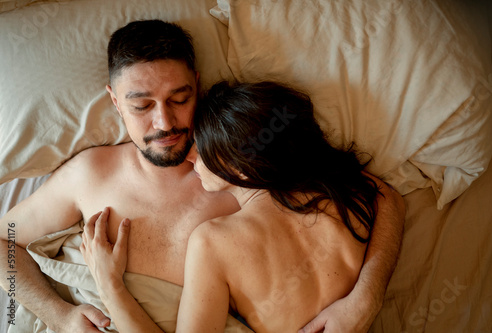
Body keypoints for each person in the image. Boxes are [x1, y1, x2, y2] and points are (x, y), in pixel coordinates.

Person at [0, 20, 405, 333]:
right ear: (114, 101)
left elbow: (383, 195)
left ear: (198, 85)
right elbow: (4, 237)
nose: (165, 122)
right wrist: (59, 315)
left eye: (180, 99)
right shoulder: (89, 175)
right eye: (141, 105)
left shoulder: (252, 166)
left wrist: (364, 299)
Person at [81, 80, 406, 332]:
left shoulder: (213, 242)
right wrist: (367, 296)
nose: (190, 156)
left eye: (202, 147)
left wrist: (110, 287)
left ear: (238, 164)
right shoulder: (340, 190)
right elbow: (389, 197)